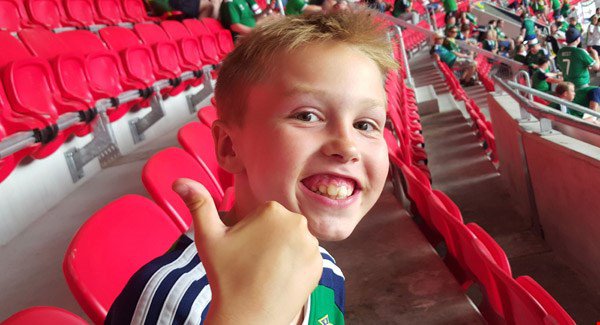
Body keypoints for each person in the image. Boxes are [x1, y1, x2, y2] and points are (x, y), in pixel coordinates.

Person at [105, 10, 397, 324]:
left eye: (365, 124)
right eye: (307, 116)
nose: (348, 146)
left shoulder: (324, 269)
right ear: (230, 147)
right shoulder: (174, 299)